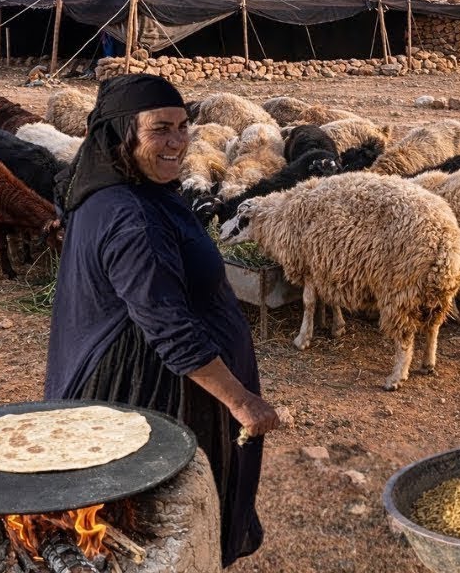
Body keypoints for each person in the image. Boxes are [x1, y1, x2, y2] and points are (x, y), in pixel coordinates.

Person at [45, 73, 279, 568]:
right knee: (166, 518)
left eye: (182, 127)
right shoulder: (133, 217)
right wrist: (242, 401)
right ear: (120, 135)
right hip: (152, 390)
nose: (177, 142)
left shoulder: (117, 189)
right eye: (159, 130)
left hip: (128, 374)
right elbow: (169, 329)